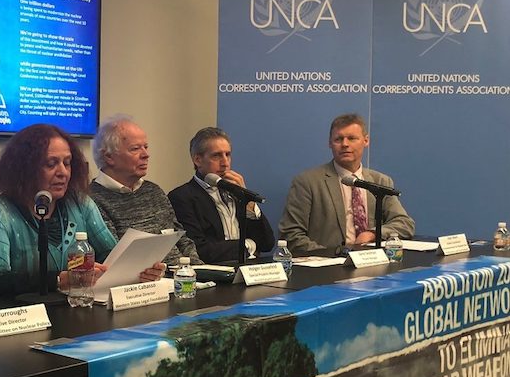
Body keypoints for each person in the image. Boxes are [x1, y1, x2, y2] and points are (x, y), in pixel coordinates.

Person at [0, 124, 165, 297]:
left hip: (77, 309)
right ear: (24, 169)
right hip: (21, 318)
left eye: (67, 163)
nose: (63, 172)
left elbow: (110, 256)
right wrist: (59, 280)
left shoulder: (80, 204)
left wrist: (139, 270)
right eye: (51, 164)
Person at [278, 113, 415, 254]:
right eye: (338, 139)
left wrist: (372, 234)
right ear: (330, 143)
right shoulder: (307, 182)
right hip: (328, 267)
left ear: (366, 141)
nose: (345, 144)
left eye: (351, 138)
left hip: (372, 262)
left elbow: (404, 223)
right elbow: (291, 235)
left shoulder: (380, 181)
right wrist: (335, 255)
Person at [89, 116, 203, 266]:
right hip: (145, 283)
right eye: (135, 149)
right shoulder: (91, 199)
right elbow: (116, 258)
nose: (145, 154)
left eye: (146, 147)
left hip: (183, 278)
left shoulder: (153, 191)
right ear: (109, 157)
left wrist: (198, 270)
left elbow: (181, 239)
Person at [168, 127, 275, 263]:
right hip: (215, 274)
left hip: (250, 271)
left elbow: (267, 243)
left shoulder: (236, 191)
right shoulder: (182, 197)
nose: (225, 163)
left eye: (228, 155)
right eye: (217, 155)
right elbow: (200, 250)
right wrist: (248, 245)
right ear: (197, 160)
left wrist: (248, 202)